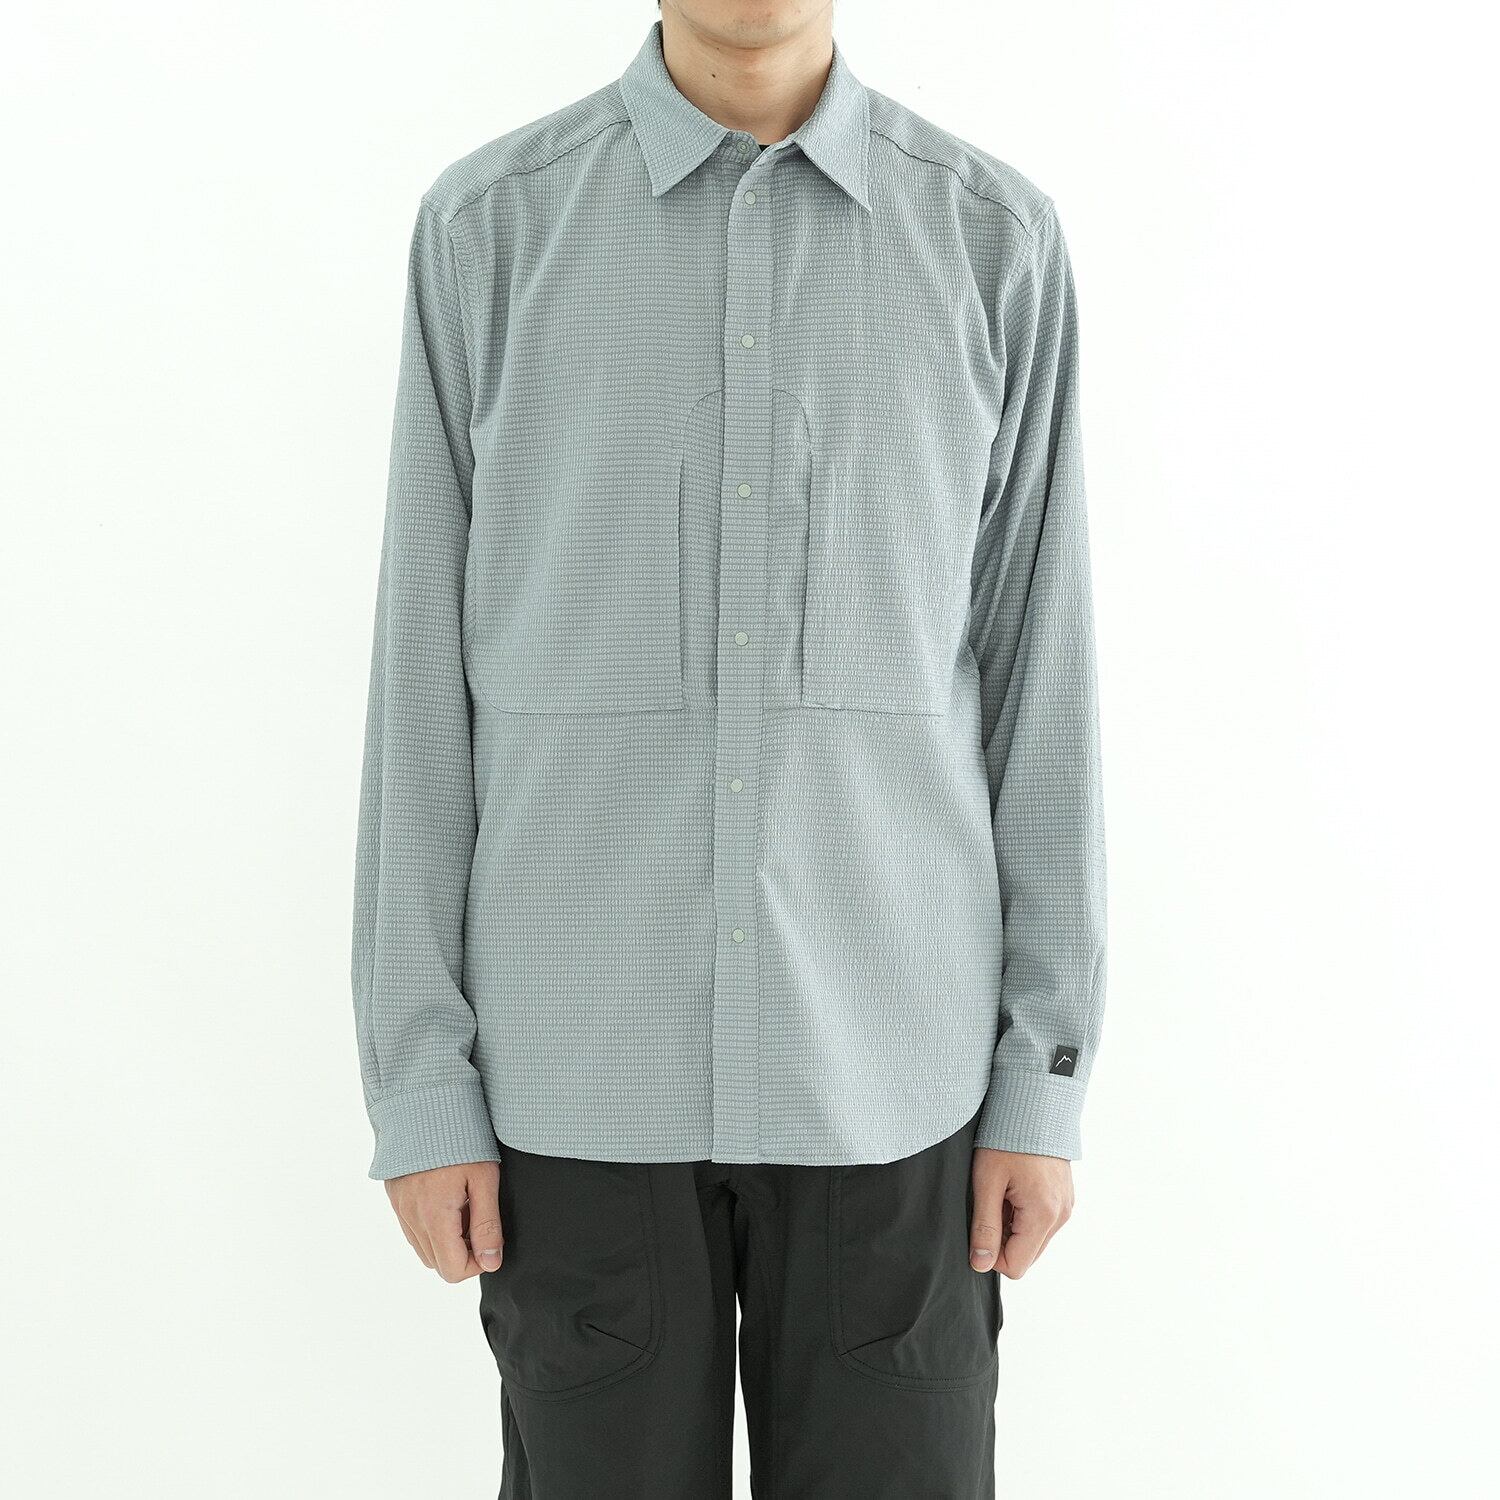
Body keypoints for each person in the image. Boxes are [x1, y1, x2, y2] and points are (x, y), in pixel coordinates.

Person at [350, 3, 1106, 1494]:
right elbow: (419, 683)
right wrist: (419, 1082)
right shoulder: (490, 229)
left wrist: (1045, 1072)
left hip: (896, 1087)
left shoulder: (992, 240)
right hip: (576, 1082)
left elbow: (1043, 673)